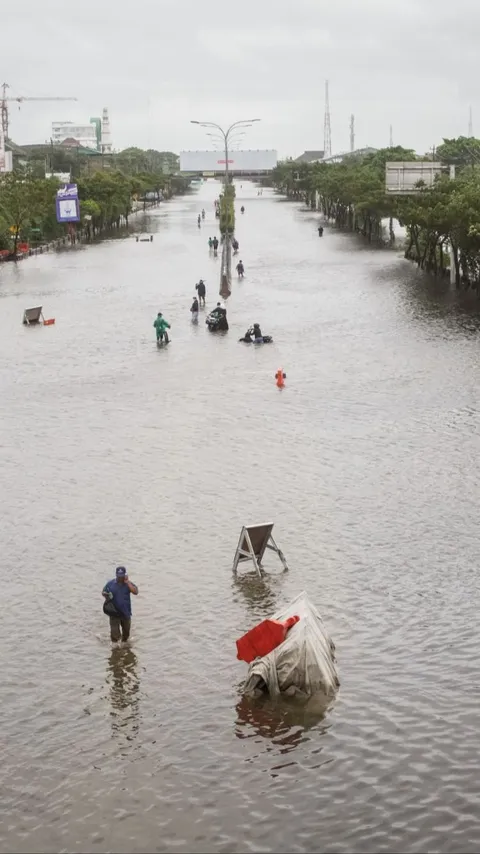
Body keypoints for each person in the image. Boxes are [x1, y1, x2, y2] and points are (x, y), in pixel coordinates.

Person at [102, 566, 138, 643]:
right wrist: (106, 595)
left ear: (125, 575)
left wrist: (128, 582)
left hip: (126, 613)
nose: (120, 578)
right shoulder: (110, 584)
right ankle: (116, 650)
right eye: (118, 576)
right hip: (113, 612)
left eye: (121, 576)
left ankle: (124, 645)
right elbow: (103, 592)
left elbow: (135, 592)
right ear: (116, 574)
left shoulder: (128, 584)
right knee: (114, 635)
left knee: (126, 634)